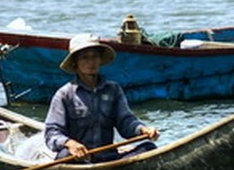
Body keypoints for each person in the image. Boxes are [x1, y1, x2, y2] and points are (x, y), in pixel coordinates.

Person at [44, 33, 160, 162]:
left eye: (95, 57)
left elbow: (126, 122)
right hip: (77, 160)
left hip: (108, 157)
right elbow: (51, 133)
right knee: (66, 155)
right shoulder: (65, 94)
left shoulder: (113, 90)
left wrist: (143, 129)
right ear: (75, 63)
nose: (91, 62)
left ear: (100, 60)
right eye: (84, 58)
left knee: (149, 148)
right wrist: (70, 144)